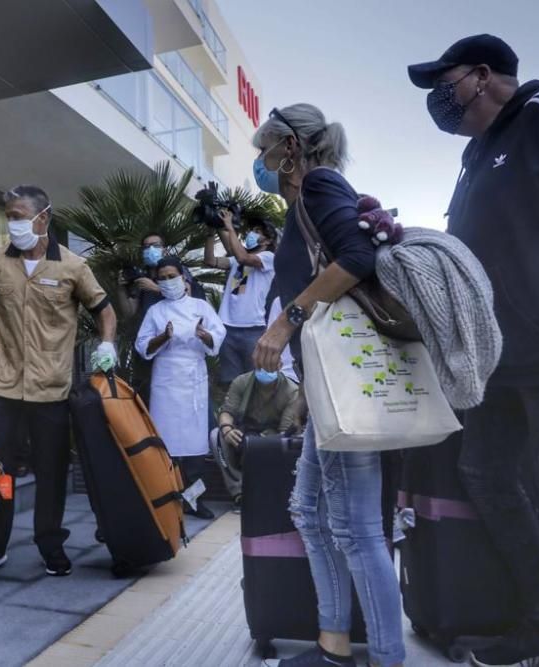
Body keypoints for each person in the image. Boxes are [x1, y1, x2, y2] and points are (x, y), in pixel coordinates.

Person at [408, 34, 539, 666]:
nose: (439, 99)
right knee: (486, 473)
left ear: (483, 76)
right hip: (496, 363)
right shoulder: (475, 158)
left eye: (444, 82)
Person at [251, 104, 405, 667]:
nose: (258, 161)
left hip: (346, 388)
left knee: (357, 528)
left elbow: (359, 256)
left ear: (289, 147)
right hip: (326, 388)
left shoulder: (320, 185)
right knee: (310, 513)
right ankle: (333, 646)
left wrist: (286, 318)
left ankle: (389, 656)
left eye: (262, 148)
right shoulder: (303, 202)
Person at [0, 184, 116, 579]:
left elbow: (104, 310)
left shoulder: (73, 266)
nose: (12, 223)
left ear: (43, 217)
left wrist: (107, 344)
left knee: (51, 471)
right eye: (9, 216)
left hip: (50, 388)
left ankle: (50, 543)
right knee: (0, 469)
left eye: (18, 216)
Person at [135, 256, 225, 520]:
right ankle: (169, 498)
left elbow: (218, 334)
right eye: (161, 278)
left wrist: (204, 335)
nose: (166, 282)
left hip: (194, 377)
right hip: (166, 380)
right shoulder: (156, 311)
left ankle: (194, 501)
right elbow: (142, 346)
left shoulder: (200, 306)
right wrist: (164, 336)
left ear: (183, 277)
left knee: (196, 447)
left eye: (171, 276)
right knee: (167, 445)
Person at [210, 358, 303, 510]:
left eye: (270, 363)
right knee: (216, 436)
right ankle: (238, 491)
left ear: (279, 365)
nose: (265, 368)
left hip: (272, 437)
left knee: (284, 445)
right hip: (243, 430)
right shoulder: (242, 382)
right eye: (261, 365)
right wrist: (227, 429)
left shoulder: (291, 391)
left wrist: (259, 443)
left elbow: (286, 432)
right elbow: (227, 411)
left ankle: (266, 491)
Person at [204, 212, 276, 389]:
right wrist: (210, 233)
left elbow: (244, 258)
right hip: (226, 327)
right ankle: (233, 416)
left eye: (257, 231)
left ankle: (253, 416)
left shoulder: (269, 258)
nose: (251, 233)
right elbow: (210, 261)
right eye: (251, 230)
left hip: (252, 329)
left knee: (255, 382)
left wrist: (229, 226)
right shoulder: (236, 260)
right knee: (232, 383)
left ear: (267, 241)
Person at [114, 232, 205, 320]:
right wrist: (121, 288)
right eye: (146, 247)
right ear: (142, 252)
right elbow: (129, 313)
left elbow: (187, 297)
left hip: (181, 325)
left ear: (164, 250)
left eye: (156, 245)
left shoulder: (176, 269)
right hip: (154, 330)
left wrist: (156, 288)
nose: (151, 249)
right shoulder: (142, 276)